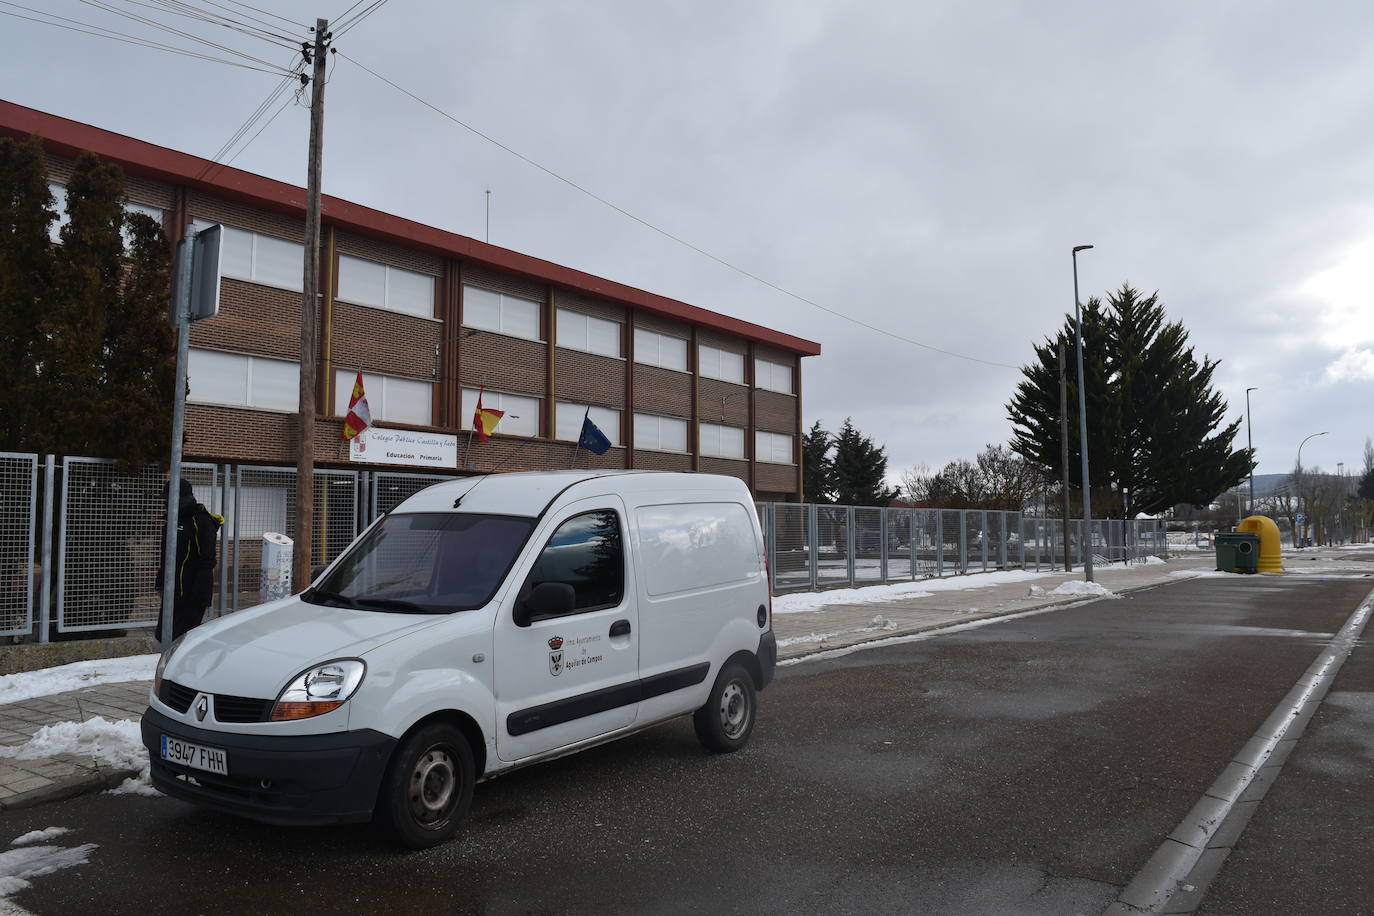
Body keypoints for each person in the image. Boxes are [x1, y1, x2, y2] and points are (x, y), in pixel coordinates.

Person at [156, 478, 223, 642]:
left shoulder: (200, 521)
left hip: (192, 593)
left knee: (181, 639)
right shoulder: (172, 521)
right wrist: (160, 583)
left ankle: (186, 667)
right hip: (173, 592)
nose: (166, 504)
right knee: (163, 635)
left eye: (169, 499)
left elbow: (207, 561)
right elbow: (166, 556)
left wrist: (200, 596)